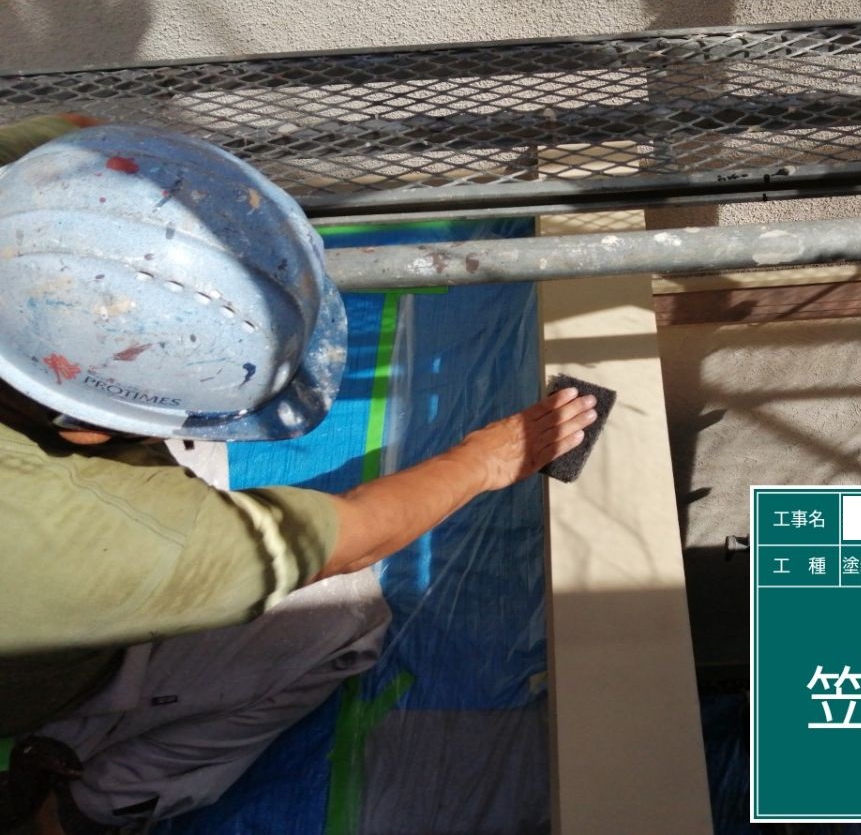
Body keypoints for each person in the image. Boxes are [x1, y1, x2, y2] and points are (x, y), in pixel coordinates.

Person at [0, 119, 597, 834]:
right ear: (85, 426)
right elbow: (352, 541)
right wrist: (485, 461)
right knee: (340, 616)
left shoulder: (33, 185)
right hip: (40, 669)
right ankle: (86, 801)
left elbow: (101, 145)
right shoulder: (105, 535)